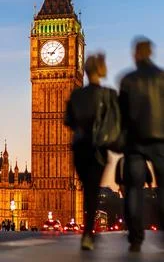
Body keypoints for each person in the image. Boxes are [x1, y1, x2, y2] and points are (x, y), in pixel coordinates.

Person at [65, 53, 118, 251]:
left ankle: (87, 233)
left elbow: (68, 120)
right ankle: (88, 233)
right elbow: (115, 122)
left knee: (87, 187)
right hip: (99, 148)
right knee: (92, 189)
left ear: (84, 70)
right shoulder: (109, 94)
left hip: (80, 147)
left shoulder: (76, 94)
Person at [119, 37, 164, 252]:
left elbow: (122, 115)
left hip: (135, 141)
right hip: (159, 140)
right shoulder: (162, 78)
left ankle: (135, 238)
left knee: (134, 190)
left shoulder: (128, 80)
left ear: (136, 54)